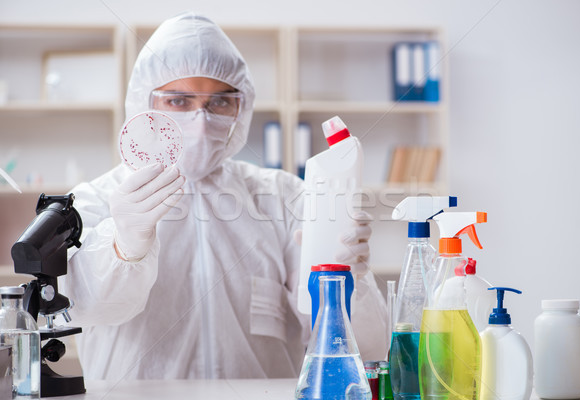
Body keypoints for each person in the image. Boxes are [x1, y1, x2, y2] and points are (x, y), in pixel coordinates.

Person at [62, 12, 388, 380]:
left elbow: (365, 349)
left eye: (220, 102)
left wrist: (348, 286)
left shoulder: (282, 196)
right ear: (144, 104)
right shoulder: (94, 201)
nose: (201, 121)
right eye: (178, 101)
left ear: (241, 106)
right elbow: (82, 307)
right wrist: (123, 248)